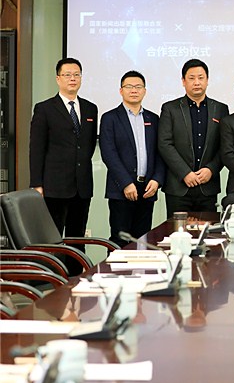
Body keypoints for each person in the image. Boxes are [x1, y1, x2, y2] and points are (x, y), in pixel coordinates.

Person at [29, 58, 98, 255]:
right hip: (54, 186)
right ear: (58, 79)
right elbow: (36, 148)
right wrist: (37, 184)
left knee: (78, 238)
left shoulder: (90, 108)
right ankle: (53, 273)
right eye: (67, 75)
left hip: (82, 186)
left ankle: (76, 273)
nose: (72, 79)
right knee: (53, 239)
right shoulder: (44, 108)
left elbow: (88, 145)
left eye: (76, 75)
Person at [100, 71, 166, 246]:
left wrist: (157, 180)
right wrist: (126, 183)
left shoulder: (153, 119)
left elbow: (160, 153)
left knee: (143, 241)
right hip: (121, 190)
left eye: (138, 87)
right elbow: (109, 153)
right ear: (121, 91)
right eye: (129, 87)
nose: (134, 90)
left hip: (147, 189)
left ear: (145, 91)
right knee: (120, 241)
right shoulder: (110, 118)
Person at [158, 59, 229, 217]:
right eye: (191, 78)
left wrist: (211, 169)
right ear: (183, 81)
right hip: (178, 187)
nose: (197, 82)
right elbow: (164, 144)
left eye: (201, 77)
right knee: (176, 231)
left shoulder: (220, 109)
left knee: (208, 231)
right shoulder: (170, 108)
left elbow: (225, 146)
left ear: (207, 80)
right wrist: (185, 173)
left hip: (207, 187)